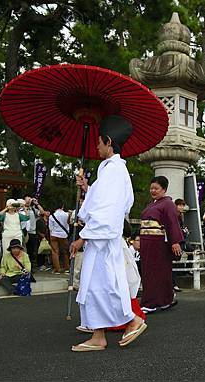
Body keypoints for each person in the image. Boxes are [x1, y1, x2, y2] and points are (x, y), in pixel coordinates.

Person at [70, 115, 146, 352]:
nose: (96, 146)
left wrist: (83, 236)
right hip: (100, 239)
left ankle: (132, 320)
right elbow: (102, 201)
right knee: (96, 286)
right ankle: (98, 334)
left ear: (108, 141)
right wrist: (87, 189)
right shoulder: (111, 170)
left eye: (99, 142)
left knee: (104, 285)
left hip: (102, 239)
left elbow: (107, 210)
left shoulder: (114, 170)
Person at [139, 176, 185, 313]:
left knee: (156, 272)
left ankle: (151, 303)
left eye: (156, 188)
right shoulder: (152, 204)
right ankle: (165, 300)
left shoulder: (168, 204)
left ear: (164, 189)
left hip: (158, 243)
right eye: (151, 188)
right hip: (147, 242)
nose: (153, 191)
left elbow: (172, 223)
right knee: (151, 272)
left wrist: (175, 241)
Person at [24, 195, 45, 271]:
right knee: (23, 250)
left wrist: (37, 203)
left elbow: (42, 212)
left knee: (31, 251)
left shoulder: (33, 209)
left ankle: (30, 267)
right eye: (27, 199)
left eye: (30, 199)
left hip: (32, 232)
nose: (29, 201)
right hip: (23, 232)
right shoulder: (20, 209)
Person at [48, 203, 70, 275]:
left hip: (54, 235)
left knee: (55, 252)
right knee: (65, 251)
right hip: (63, 235)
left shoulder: (52, 216)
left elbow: (50, 227)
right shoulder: (67, 215)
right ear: (62, 206)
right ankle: (66, 268)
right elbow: (68, 225)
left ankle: (57, 269)